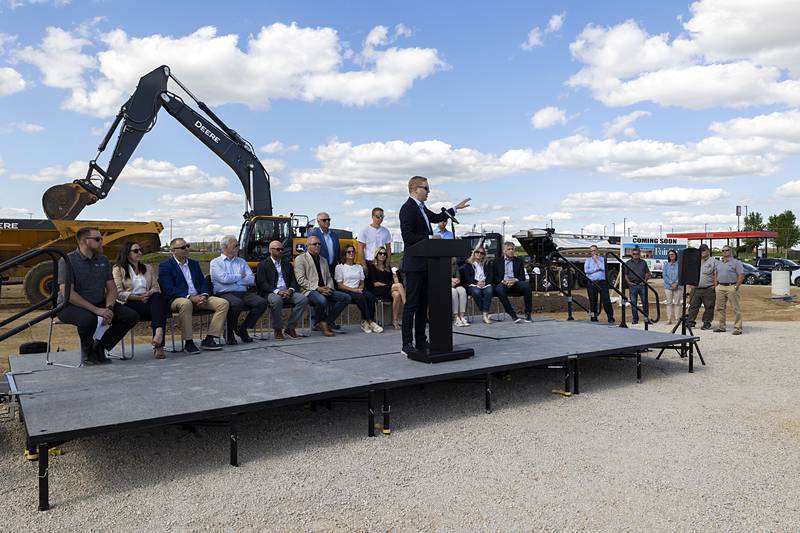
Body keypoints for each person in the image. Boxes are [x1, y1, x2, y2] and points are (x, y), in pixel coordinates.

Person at [399, 175, 470, 355]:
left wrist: (455, 208)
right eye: (426, 188)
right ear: (415, 189)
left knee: (424, 304)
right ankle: (407, 343)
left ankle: (421, 341)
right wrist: (430, 238)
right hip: (414, 265)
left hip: (428, 264)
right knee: (412, 304)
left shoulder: (422, 208)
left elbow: (437, 216)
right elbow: (407, 236)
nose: (428, 192)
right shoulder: (407, 208)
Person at [56, 227, 139, 365]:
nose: (101, 242)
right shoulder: (67, 260)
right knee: (88, 320)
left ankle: (100, 347)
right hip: (70, 306)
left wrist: (109, 308)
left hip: (99, 302)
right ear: (83, 241)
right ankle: (87, 354)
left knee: (131, 316)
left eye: (101, 239)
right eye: (97, 239)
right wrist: (97, 311)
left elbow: (112, 289)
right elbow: (68, 293)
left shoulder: (103, 259)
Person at [158, 238, 228, 353]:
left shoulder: (194, 264)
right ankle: (189, 342)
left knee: (223, 303)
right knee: (186, 303)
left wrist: (204, 295)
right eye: (183, 247)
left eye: (187, 246)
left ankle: (210, 338)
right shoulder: (165, 266)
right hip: (176, 299)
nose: (186, 249)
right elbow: (169, 289)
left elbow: (203, 282)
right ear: (173, 251)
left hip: (198, 297)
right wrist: (189, 297)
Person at [112, 241, 168, 359]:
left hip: (149, 299)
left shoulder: (148, 268)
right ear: (127, 253)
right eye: (136, 251)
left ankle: (158, 332)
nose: (140, 253)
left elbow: (156, 287)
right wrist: (137, 297)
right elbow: (118, 293)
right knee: (160, 308)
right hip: (130, 302)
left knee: (158, 297)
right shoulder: (118, 269)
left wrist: (147, 294)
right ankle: (159, 345)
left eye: (140, 250)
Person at [210, 235, 268, 345]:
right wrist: (240, 276)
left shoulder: (241, 261)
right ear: (225, 247)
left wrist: (235, 279)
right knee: (237, 304)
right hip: (224, 293)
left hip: (243, 292)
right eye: (235, 245)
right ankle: (229, 332)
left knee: (261, 303)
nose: (238, 247)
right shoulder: (215, 262)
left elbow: (251, 279)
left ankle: (242, 329)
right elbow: (223, 279)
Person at [294, 235, 351, 336]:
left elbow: (329, 277)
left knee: (346, 298)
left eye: (319, 244)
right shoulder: (300, 259)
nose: (317, 246)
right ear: (307, 246)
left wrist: (329, 287)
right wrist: (318, 288)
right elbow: (301, 280)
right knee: (322, 300)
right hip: (310, 290)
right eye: (314, 244)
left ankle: (325, 322)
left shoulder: (323, 260)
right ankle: (320, 323)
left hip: (325, 288)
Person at [255, 240, 309, 340]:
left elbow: (293, 280)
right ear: (270, 250)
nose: (280, 251)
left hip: (287, 292)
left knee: (303, 299)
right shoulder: (262, 265)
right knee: (277, 300)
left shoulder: (287, 264)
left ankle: (290, 327)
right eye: (278, 249)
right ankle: (278, 329)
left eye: (282, 249)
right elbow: (262, 284)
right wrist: (278, 291)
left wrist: (290, 290)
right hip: (271, 293)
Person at [335, 244, 383, 333]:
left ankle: (365, 322)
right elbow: (339, 285)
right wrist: (354, 290)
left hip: (358, 289)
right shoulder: (340, 267)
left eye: (353, 251)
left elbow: (362, 282)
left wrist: (360, 289)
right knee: (361, 297)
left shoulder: (358, 267)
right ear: (344, 254)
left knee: (370, 297)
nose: (351, 253)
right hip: (346, 290)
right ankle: (370, 321)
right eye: (348, 252)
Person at [491, 241, 533, 323]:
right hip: (503, 284)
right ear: (504, 251)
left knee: (527, 286)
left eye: (512, 249)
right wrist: (503, 281)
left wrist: (514, 280)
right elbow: (494, 276)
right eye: (509, 249)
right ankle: (512, 314)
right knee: (499, 289)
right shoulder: (497, 261)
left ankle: (528, 314)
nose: (511, 251)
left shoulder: (518, 261)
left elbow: (522, 277)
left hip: (515, 284)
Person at [365, 246, 405, 330]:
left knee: (397, 294)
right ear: (376, 255)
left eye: (384, 254)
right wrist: (389, 285)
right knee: (399, 286)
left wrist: (393, 278)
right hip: (376, 290)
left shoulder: (388, 268)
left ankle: (395, 320)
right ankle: (407, 305)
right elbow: (376, 284)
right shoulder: (372, 267)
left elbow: (393, 282)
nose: (382, 255)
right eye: (380, 253)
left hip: (388, 290)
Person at [713, 245, 745, 335]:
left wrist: (736, 287)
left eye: (726, 250)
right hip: (720, 287)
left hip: (731, 286)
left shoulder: (736, 263)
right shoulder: (719, 263)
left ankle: (738, 328)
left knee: (735, 308)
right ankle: (721, 326)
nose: (724, 252)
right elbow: (715, 273)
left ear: (731, 251)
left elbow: (741, 275)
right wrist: (716, 285)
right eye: (723, 250)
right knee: (720, 307)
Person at [686, 244, 716, 330]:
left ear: (708, 251)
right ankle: (691, 322)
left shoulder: (713, 261)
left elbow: (716, 274)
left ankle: (707, 322)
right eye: (701, 250)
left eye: (704, 250)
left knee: (709, 307)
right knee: (693, 306)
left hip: (708, 288)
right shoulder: (695, 261)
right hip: (695, 288)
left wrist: (714, 286)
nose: (702, 252)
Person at [461, 247, 495, 324]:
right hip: (473, 284)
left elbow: (491, 275)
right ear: (474, 253)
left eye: (482, 253)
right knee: (476, 292)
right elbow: (467, 277)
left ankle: (484, 315)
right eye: (477, 252)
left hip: (485, 283)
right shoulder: (468, 264)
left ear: (484, 255)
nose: (479, 254)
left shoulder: (487, 263)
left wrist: (485, 282)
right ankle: (485, 313)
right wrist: (477, 282)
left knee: (489, 291)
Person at [584, 244, 614, 323]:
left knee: (606, 300)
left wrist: (597, 260)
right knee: (593, 300)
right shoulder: (588, 260)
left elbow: (603, 268)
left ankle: (610, 317)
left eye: (594, 250)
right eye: (591, 251)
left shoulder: (602, 259)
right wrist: (597, 269)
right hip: (592, 283)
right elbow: (587, 271)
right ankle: (594, 317)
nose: (593, 252)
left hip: (602, 282)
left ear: (597, 251)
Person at [625, 246, 651, 325]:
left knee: (645, 302)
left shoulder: (643, 262)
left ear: (639, 254)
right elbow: (625, 274)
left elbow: (647, 273)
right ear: (632, 254)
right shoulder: (628, 263)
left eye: (637, 254)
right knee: (633, 303)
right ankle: (635, 319)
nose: (635, 255)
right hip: (632, 285)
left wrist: (645, 281)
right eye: (634, 254)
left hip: (642, 285)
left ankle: (646, 318)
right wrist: (628, 282)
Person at [662, 249, 681, 325]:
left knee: (677, 303)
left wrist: (676, 283)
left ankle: (677, 319)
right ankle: (669, 319)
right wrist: (671, 283)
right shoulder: (666, 265)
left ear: (675, 255)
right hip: (668, 286)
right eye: (670, 254)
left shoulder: (679, 264)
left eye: (672, 254)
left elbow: (680, 274)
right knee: (669, 303)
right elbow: (664, 275)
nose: (671, 256)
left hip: (678, 286)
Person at [450, 261, 469, 327]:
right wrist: (451, 280)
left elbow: (458, 276)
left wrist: (457, 280)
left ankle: (462, 317)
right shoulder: (438, 261)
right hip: (443, 286)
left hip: (455, 284)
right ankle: (456, 318)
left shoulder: (454, 262)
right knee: (454, 292)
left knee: (462, 291)